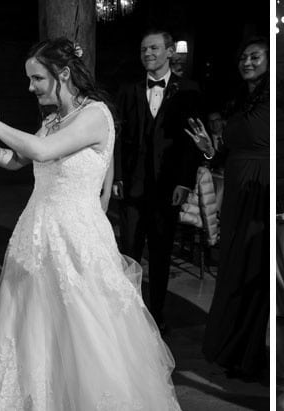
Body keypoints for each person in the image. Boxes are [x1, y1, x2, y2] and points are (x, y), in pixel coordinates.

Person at [0, 38, 180, 409]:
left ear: (62, 74)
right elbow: (19, 161)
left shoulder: (95, 115)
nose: (30, 88)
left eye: (37, 79)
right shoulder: (51, 122)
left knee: (84, 336)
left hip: (77, 241)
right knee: (31, 334)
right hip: (34, 237)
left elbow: (42, 151)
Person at [185, 38, 269, 379]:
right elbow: (223, 154)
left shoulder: (274, 97)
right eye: (243, 57)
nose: (247, 62)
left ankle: (251, 356)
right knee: (233, 268)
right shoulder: (238, 101)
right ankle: (233, 350)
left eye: (254, 56)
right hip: (237, 189)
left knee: (255, 271)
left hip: (260, 190)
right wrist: (208, 149)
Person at [113, 29, 203, 330]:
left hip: (167, 188)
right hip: (133, 187)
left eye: (153, 48)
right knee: (129, 254)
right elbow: (119, 136)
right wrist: (118, 176)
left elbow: (191, 142)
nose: (147, 54)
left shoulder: (189, 90)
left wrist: (184, 182)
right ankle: (128, 315)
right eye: (143, 50)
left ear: (169, 53)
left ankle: (158, 315)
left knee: (162, 254)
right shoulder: (128, 90)